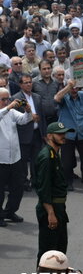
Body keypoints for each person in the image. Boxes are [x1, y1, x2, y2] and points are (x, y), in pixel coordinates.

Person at [33, 122, 75, 264]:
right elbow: (43, 187)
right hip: (51, 209)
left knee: (60, 251)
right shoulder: (47, 157)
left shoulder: (54, 154)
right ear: (49, 136)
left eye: (64, 133)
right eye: (60, 134)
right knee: (48, 254)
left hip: (59, 208)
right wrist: (50, 213)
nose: (63, 136)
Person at [54, 78, 83, 192]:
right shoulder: (65, 96)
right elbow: (56, 98)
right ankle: (67, 182)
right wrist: (68, 86)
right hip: (68, 134)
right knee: (66, 161)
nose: (74, 90)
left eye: (76, 88)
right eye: (72, 88)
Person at [0, 87, 32, 226]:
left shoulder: (11, 112)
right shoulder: (5, 111)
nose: (7, 101)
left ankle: (10, 211)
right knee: (0, 191)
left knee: (18, 187)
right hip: (1, 159)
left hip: (15, 157)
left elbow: (25, 120)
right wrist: (8, 107)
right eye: (3, 99)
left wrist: (28, 110)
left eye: (8, 99)